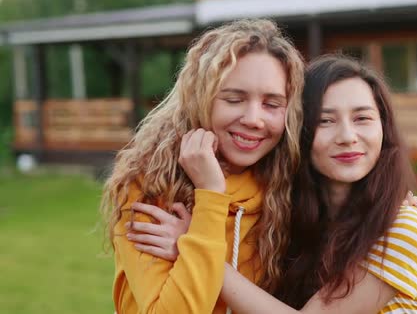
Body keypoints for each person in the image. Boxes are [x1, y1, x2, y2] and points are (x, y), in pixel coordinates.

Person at [129, 55, 417, 313]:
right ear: (298, 132)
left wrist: (193, 247)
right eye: (325, 121)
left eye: (362, 118)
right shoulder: (292, 213)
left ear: (384, 128)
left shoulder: (403, 229)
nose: (347, 136)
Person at [100, 18, 306, 313]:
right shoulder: (150, 185)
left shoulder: (288, 189)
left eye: (272, 105)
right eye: (234, 99)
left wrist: (189, 245)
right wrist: (210, 195)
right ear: (200, 99)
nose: (253, 119)